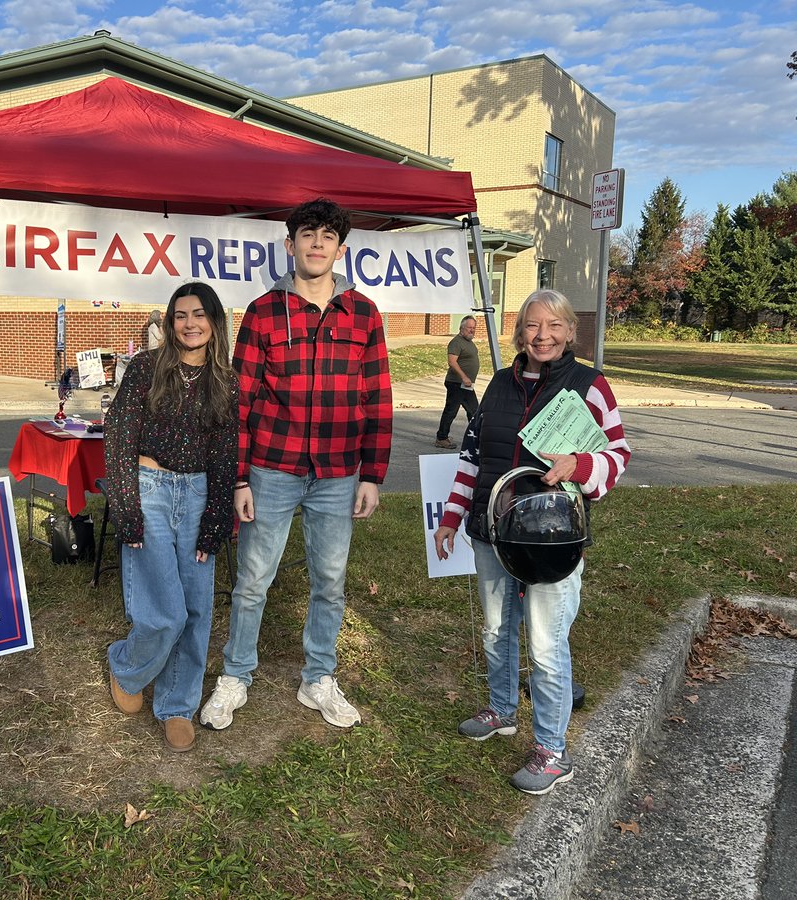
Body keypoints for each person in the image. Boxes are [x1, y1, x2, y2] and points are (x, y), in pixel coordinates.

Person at [199, 198, 393, 731]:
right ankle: (236, 676)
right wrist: (239, 475)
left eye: (326, 237)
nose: (315, 244)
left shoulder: (365, 314)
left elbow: (377, 398)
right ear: (290, 245)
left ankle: (319, 678)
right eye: (306, 235)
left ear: (340, 249)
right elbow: (238, 403)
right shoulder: (262, 313)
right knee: (254, 580)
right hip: (271, 468)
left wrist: (373, 474)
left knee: (329, 581)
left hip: (338, 472)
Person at [432, 289, 631, 795]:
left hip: (551, 541)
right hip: (494, 533)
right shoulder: (498, 385)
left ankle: (551, 749)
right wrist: (453, 517)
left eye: (554, 326)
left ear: (570, 331)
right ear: (519, 333)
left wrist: (580, 465)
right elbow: (472, 459)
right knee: (497, 630)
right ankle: (501, 710)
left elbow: (619, 453)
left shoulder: (590, 385)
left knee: (545, 645)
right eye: (532, 326)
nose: (542, 336)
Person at [105, 282, 239, 752]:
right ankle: (127, 666)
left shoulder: (226, 378)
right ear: (169, 322)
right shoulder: (146, 368)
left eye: (199, 314)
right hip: (151, 489)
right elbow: (119, 436)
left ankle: (178, 704)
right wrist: (126, 506)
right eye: (180, 315)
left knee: (197, 608)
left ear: (214, 321)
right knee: (164, 611)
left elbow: (225, 454)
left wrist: (217, 517)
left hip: (200, 492)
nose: (190, 323)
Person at [434, 315, 480, 449]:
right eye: (469, 328)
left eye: (474, 328)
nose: (472, 330)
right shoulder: (456, 342)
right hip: (456, 383)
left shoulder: (469, 342)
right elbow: (452, 361)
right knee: (451, 410)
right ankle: (441, 438)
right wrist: (464, 377)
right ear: (461, 328)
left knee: (474, 411)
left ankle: (475, 438)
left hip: (466, 384)